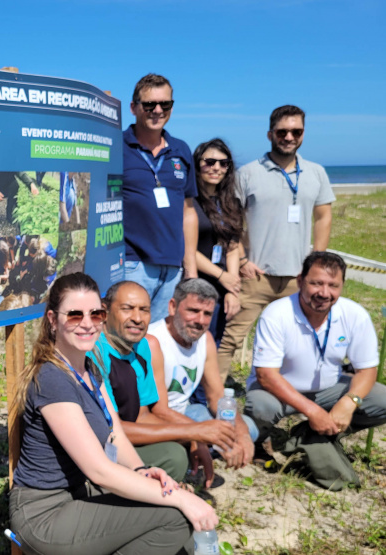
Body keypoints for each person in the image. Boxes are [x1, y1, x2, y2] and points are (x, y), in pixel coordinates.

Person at [9, 273, 217, 555]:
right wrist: (179, 497)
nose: (87, 323)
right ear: (52, 319)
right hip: (46, 514)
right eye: (74, 315)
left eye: (95, 314)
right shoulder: (52, 378)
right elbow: (100, 471)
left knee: (182, 538)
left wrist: (143, 471)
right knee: (175, 516)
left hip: (79, 492)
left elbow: (115, 434)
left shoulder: (88, 368)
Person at [217, 105, 335, 382]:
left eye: (296, 131)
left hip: (298, 278)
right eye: (282, 131)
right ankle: (212, 396)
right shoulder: (247, 173)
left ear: (303, 134)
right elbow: (231, 223)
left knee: (297, 342)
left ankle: (287, 395)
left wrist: (315, 265)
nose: (289, 136)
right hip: (255, 276)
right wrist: (243, 260)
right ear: (270, 134)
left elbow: (323, 217)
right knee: (229, 339)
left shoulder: (316, 173)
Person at [89, 281, 238, 485]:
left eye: (144, 310)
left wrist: (195, 437)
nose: (137, 318)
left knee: (175, 453)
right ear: (104, 311)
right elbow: (109, 429)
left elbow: (142, 416)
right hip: (94, 447)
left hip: (123, 439)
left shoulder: (143, 346)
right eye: (127, 309)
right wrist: (193, 432)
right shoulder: (93, 351)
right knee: (175, 457)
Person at [245, 252, 386, 438]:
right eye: (316, 283)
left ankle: (314, 439)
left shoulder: (355, 315)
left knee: (382, 399)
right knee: (262, 406)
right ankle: (261, 442)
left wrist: (349, 402)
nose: (324, 293)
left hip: (329, 389)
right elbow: (266, 375)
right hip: (278, 391)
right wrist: (312, 411)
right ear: (300, 281)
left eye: (333, 285)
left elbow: (366, 370)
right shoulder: (276, 314)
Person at [147, 279, 258, 472]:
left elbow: (216, 397)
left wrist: (242, 434)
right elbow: (159, 411)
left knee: (248, 428)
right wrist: (201, 433)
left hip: (185, 412)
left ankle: (198, 450)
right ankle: (192, 452)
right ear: (172, 307)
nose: (200, 321)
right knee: (211, 436)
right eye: (192, 311)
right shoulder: (154, 340)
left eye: (207, 314)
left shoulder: (205, 340)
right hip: (155, 419)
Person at [121, 74, 199, 323]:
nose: (157, 110)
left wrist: (191, 267)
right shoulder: (116, 147)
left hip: (173, 269)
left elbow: (188, 211)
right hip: (132, 265)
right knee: (124, 340)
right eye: (149, 105)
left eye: (165, 104)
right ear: (134, 108)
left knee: (156, 344)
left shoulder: (181, 150)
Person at [192, 139, 244, 345]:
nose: (216, 168)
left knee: (215, 342)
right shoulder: (188, 202)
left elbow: (231, 248)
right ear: (197, 164)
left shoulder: (232, 203)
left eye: (223, 163)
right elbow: (185, 250)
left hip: (222, 287)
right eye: (210, 162)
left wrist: (232, 288)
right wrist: (222, 276)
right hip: (195, 284)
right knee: (195, 342)